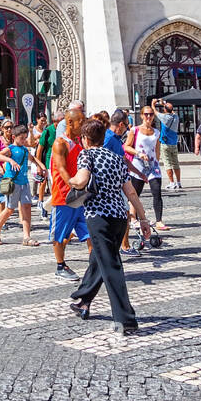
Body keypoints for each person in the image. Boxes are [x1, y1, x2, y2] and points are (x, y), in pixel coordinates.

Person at [67, 118, 150, 329]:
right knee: (99, 259)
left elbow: (81, 180)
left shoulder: (86, 154)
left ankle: (125, 319)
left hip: (99, 217)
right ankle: (84, 300)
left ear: (85, 139)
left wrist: (66, 179)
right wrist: (143, 218)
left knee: (111, 266)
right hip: (120, 218)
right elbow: (130, 191)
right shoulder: (117, 158)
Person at [48, 108, 92, 280]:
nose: (83, 125)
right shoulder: (60, 143)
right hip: (64, 197)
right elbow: (61, 169)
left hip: (80, 196)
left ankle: (95, 264)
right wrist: (74, 186)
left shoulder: (80, 143)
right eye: (81, 122)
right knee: (60, 234)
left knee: (90, 231)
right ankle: (60, 265)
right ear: (70, 123)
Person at [0, 123, 44, 245]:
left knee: (26, 208)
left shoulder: (25, 149)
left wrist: (41, 167)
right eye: (22, 138)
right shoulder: (10, 149)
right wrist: (10, 160)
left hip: (24, 182)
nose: (24, 140)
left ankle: (27, 237)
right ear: (14, 137)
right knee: (10, 209)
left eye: (25, 138)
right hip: (13, 182)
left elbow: (33, 159)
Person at [124, 105, 170, 231]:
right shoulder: (135, 130)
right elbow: (126, 146)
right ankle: (134, 218)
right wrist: (138, 153)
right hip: (138, 166)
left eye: (150, 114)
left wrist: (156, 161)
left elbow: (157, 149)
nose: (148, 117)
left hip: (152, 166)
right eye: (146, 114)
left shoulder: (156, 132)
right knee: (135, 194)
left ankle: (159, 220)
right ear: (141, 116)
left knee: (157, 192)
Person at [152, 97, 182, 191]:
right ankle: (179, 182)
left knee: (168, 164)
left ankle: (172, 182)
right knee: (176, 163)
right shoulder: (176, 117)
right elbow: (171, 111)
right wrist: (163, 104)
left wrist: (153, 103)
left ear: (165, 110)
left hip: (165, 144)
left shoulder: (164, 117)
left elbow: (155, 111)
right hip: (174, 143)